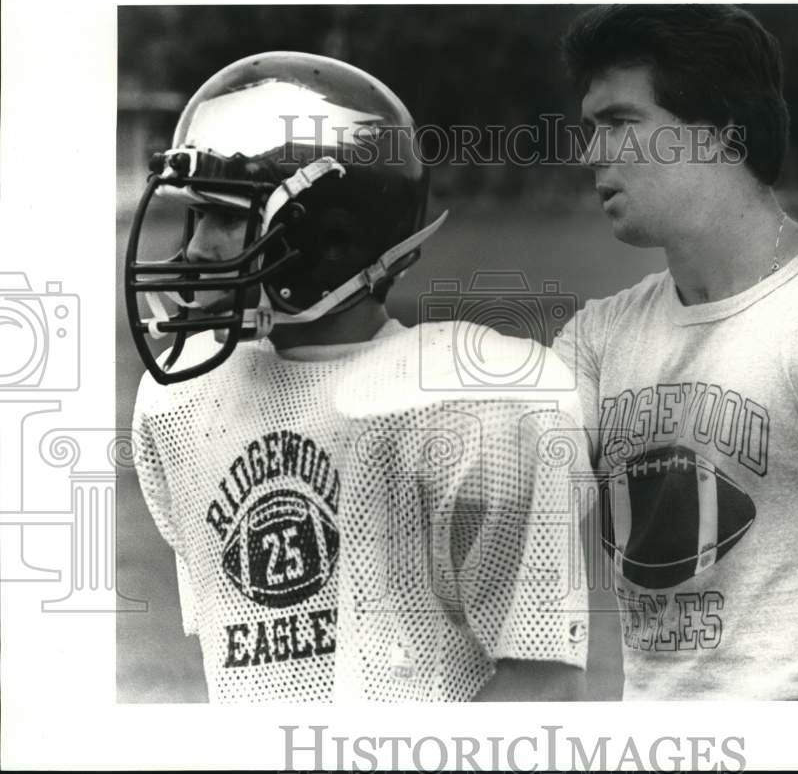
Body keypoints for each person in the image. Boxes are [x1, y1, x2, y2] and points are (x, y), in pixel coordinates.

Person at [126, 51, 591, 702]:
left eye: (227, 218)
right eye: (195, 215)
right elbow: (240, 653)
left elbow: (541, 679)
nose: (197, 248)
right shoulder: (182, 399)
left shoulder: (479, 405)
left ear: (333, 242)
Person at [552, 5, 798, 699]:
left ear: (719, 135)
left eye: (619, 123)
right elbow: (498, 472)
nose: (592, 154)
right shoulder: (599, 335)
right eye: (591, 128)